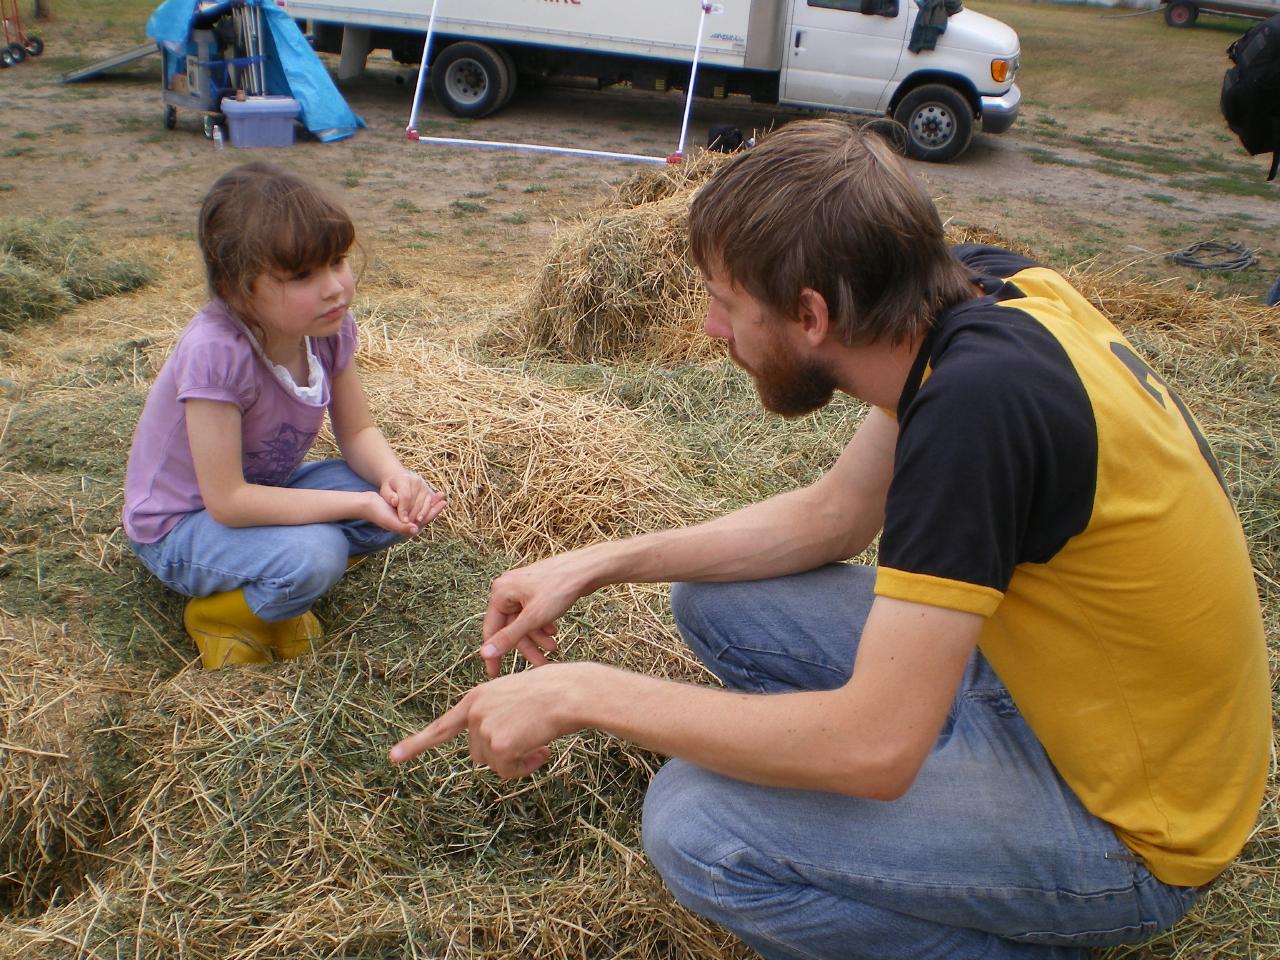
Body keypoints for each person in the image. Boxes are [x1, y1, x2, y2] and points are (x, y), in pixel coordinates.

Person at [389, 121, 1270, 959]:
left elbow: (874, 751)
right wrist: (600, 561)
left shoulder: (976, 410)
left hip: (1130, 827)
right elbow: (833, 518)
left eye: (727, 303)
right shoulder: (978, 293)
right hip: (1059, 695)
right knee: (717, 600)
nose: (710, 330)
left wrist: (580, 693)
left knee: (699, 826)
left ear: (811, 316)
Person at [123, 161, 446, 669]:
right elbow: (228, 501)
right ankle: (227, 614)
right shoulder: (217, 352)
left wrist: (394, 478)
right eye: (302, 275)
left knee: (394, 504)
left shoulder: (329, 330)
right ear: (237, 289)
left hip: (262, 496)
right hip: (182, 528)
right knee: (316, 553)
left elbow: (358, 431)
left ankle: (280, 586)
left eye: (337, 261)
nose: (335, 287)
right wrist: (357, 507)